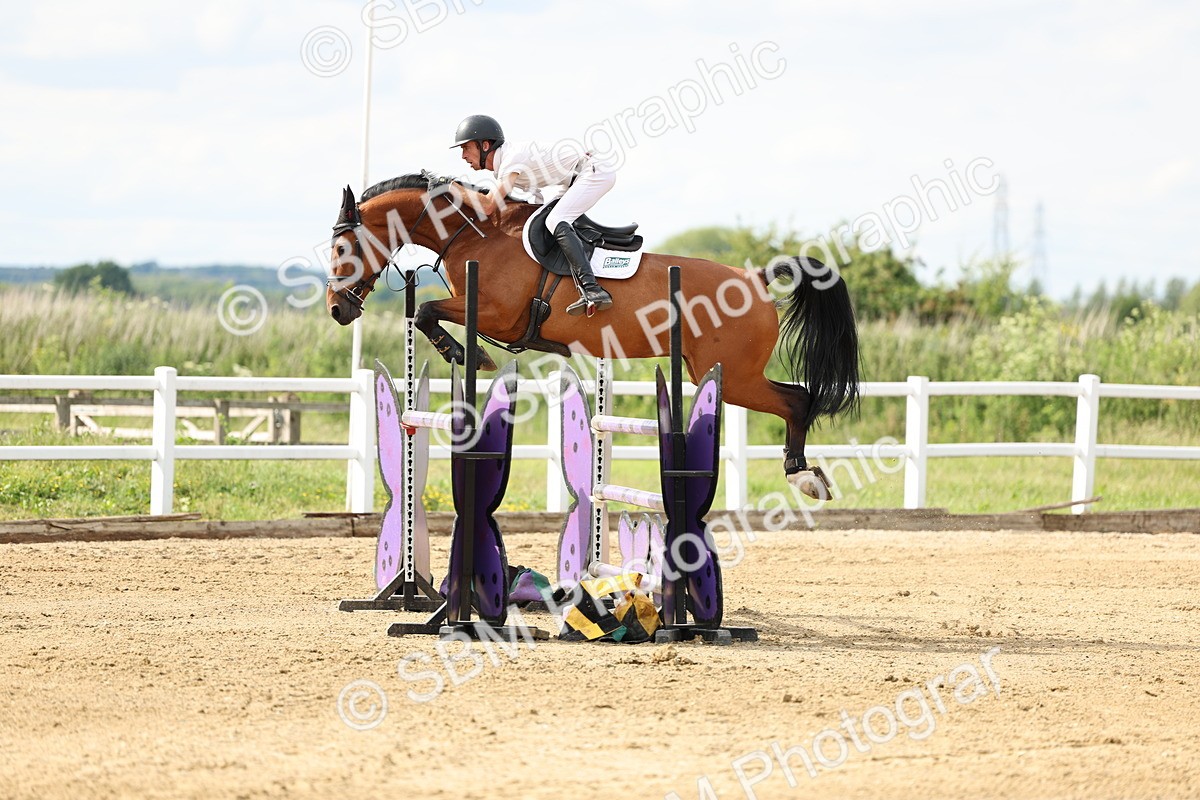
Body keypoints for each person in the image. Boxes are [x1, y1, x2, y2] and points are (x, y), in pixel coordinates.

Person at [451, 114, 614, 316]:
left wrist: (451, 189)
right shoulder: (504, 167)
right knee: (548, 220)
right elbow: (534, 202)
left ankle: (593, 289)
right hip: (574, 178)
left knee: (556, 220)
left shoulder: (511, 160)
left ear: (485, 145)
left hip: (594, 172)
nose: (463, 156)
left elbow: (488, 207)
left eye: (465, 147)